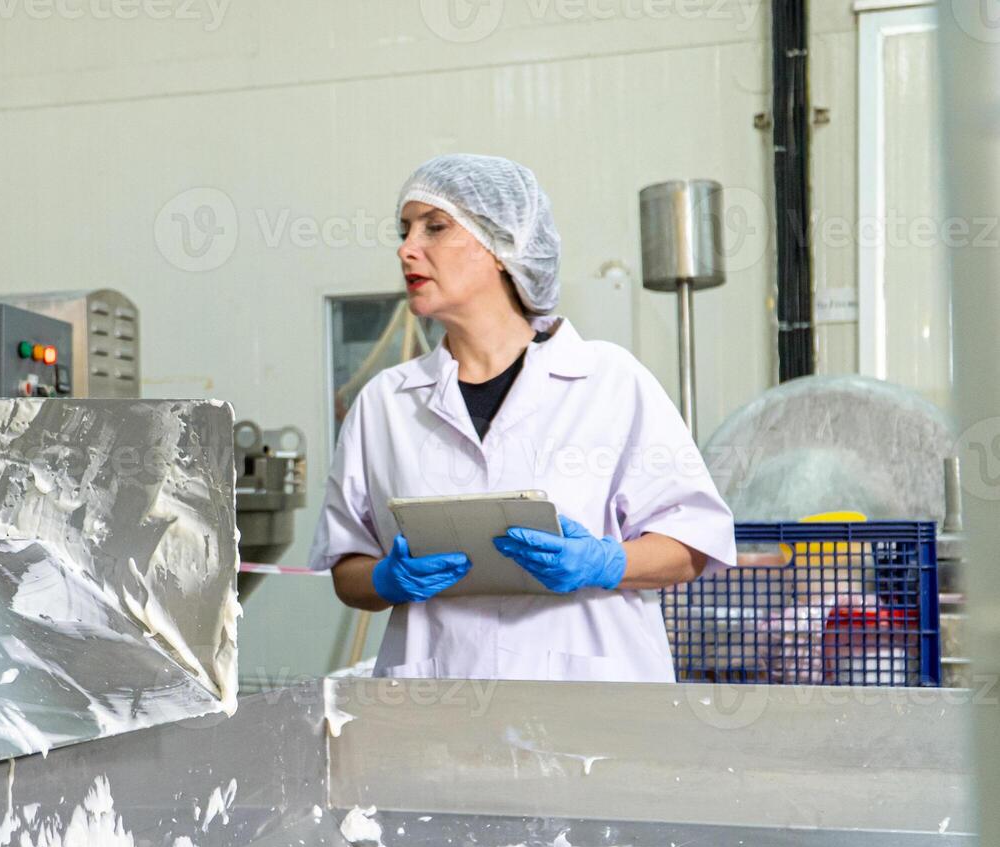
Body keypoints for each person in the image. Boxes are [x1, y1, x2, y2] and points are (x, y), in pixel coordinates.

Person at [308, 154, 737, 681]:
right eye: (405, 230)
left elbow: (694, 545)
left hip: (588, 704)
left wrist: (605, 563)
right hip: (437, 699)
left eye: (434, 227)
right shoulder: (385, 403)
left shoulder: (609, 382)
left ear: (503, 247)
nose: (406, 248)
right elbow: (347, 571)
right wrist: (387, 578)